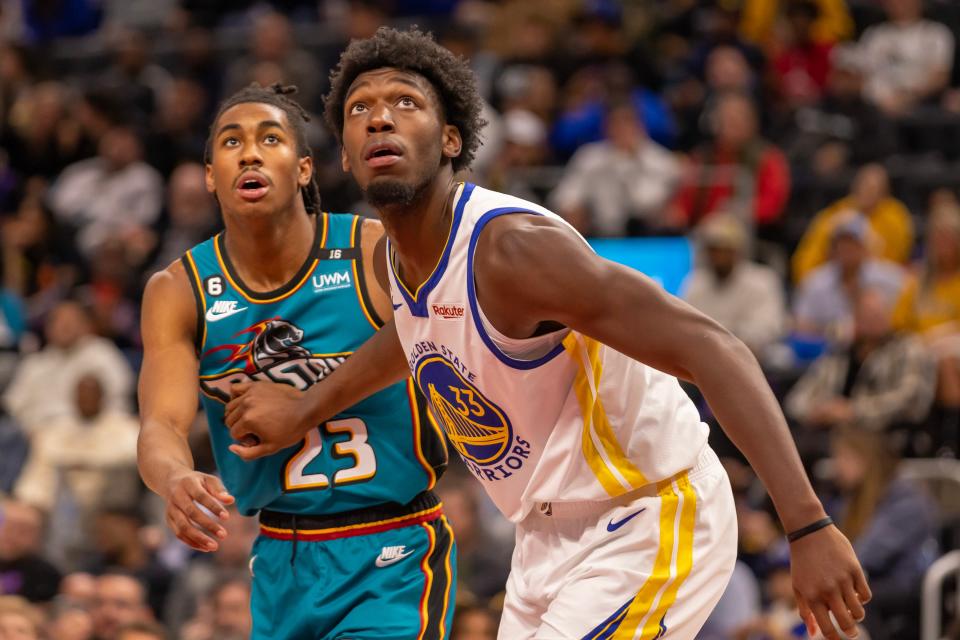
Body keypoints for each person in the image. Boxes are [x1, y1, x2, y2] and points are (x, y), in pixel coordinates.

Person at [226, 27, 870, 640]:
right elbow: (414, 334)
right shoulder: (395, 258)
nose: (380, 117)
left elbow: (714, 347)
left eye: (404, 102)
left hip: (648, 514)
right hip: (544, 538)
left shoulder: (512, 253)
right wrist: (302, 409)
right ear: (343, 153)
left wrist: (807, 525)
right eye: (360, 108)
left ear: (451, 140)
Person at [136, 83, 454, 640]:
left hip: (393, 544)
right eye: (231, 142)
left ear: (304, 169)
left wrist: (304, 406)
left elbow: (427, 343)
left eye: (271, 139)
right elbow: (160, 424)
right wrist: (176, 477)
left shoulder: (371, 250)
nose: (250, 153)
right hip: (280, 556)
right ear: (211, 176)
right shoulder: (180, 289)